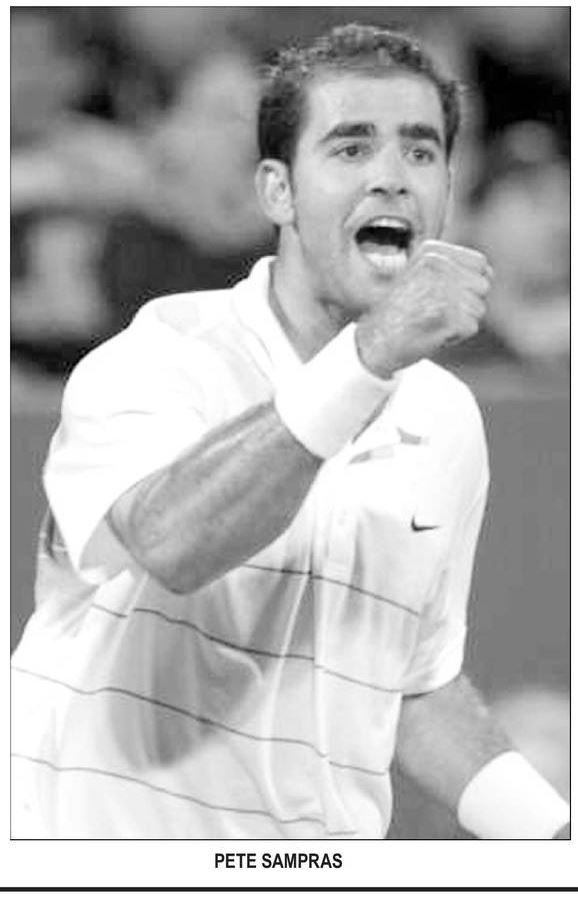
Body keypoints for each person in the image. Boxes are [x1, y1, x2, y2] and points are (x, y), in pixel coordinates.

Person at [11, 24, 570, 840]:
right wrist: (367, 359)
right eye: (351, 148)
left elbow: (411, 683)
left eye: (420, 151)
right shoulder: (157, 357)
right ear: (277, 192)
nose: (391, 176)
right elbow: (168, 543)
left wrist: (551, 840)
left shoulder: (447, 418)